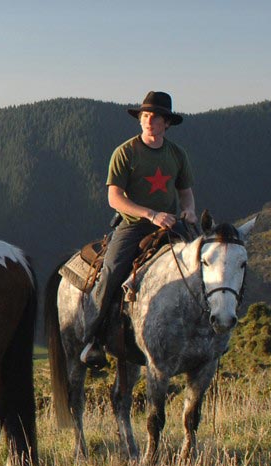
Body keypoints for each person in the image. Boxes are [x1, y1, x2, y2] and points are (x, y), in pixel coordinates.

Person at [79, 91, 197, 366]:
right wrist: (151, 214)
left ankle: (208, 332)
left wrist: (189, 210)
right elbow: (115, 198)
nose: (148, 120)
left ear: (166, 123)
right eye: (145, 116)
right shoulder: (126, 152)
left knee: (205, 262)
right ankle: (93, 338)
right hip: (133, 226)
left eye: (155, 117)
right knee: (110, 273)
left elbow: (186, 192)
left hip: (170, 224)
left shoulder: (177, 154)